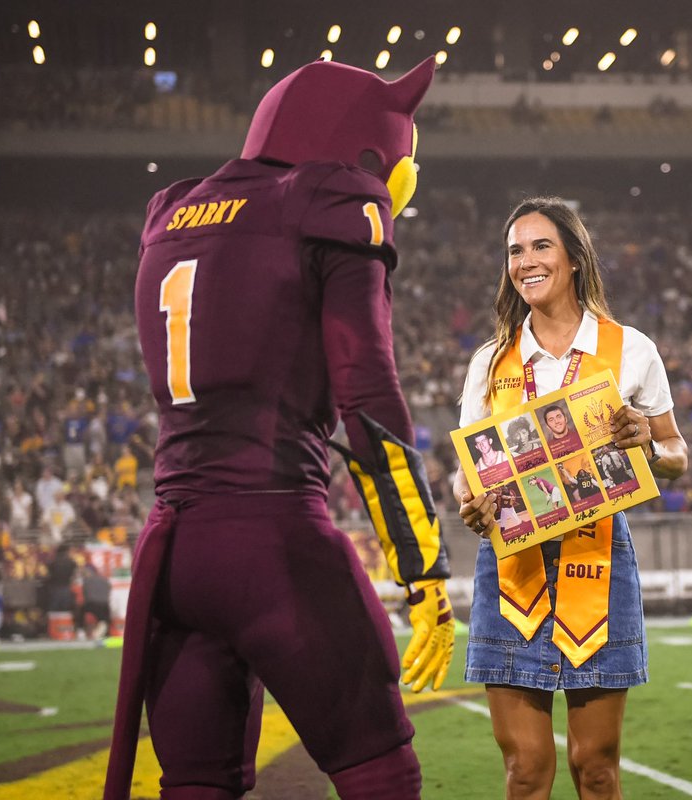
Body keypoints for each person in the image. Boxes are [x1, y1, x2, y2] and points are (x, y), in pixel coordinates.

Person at [105, 58, 454, 800]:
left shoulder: (170, 211)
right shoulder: (332, 199)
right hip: (273, 537)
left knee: (195, 786)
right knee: (382, 774)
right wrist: (421, 565)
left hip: (171, 555)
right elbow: (368, 394)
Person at [455, 197, 688, 798]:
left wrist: (648, 444)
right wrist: (470, 503)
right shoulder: (489, 362)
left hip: (601, 561)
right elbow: (469, 473)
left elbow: (677, 457)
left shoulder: (631, 348)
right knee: (526, 768)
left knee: (597, 766)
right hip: (513, 572)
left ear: (574, 258)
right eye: (515, 250)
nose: (526, 261)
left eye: (540, 246)